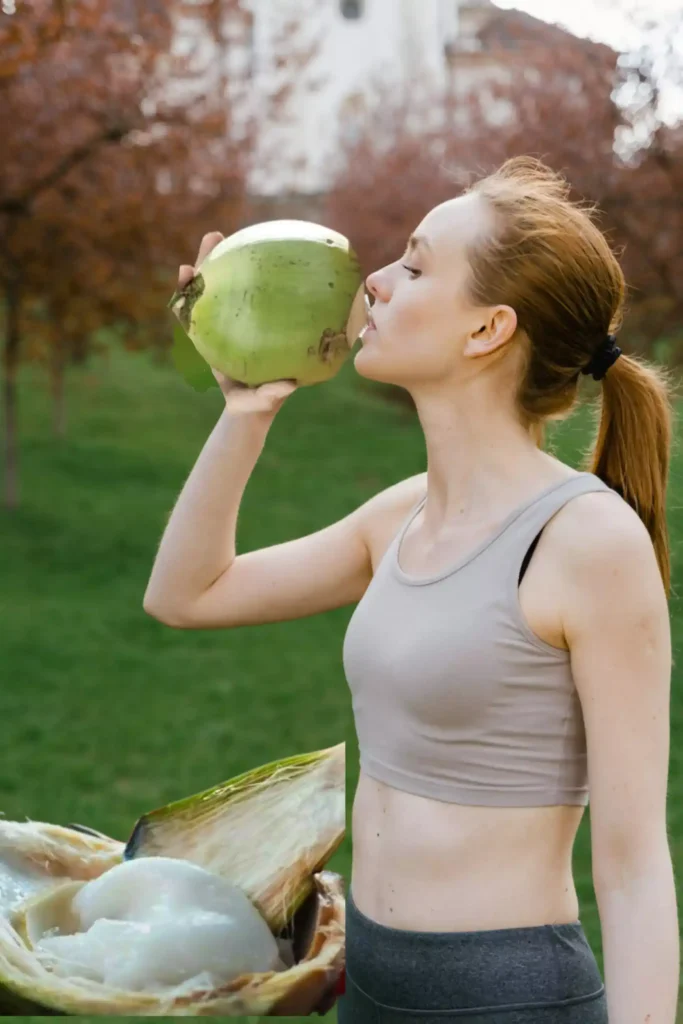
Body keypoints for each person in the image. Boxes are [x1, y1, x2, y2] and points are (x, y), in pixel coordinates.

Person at [143, 157, 679, 1023]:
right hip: (372, 982)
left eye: (416, 266)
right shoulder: (402, 513)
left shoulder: (585, 542)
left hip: (507, 999)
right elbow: (187, 595)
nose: (376, 285)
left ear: (487, 330)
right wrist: (245, 409)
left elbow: (632, 863)